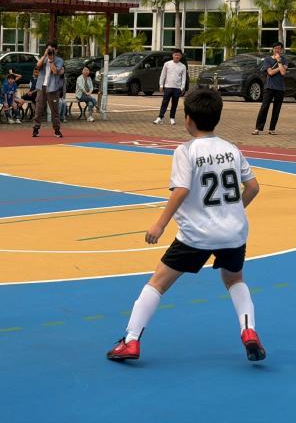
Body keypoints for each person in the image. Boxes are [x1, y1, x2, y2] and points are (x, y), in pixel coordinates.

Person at [105, 89, 266, 363]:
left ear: (188, 119)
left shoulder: (186, 150)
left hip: (196, 235)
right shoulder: (231, 149)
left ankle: (131, 341)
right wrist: (233, 211)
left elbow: (180, 190)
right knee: (235, 280)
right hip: (233, 232)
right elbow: (253, 187)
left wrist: (159, 224)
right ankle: (248, 330)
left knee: (158, 282)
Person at [252, 42, 288, 135]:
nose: (277, 50)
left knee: (276, 109)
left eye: (279, 48)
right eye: (276, 48)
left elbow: (283, 73)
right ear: (273, 49)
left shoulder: (284, 60)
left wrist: (279, 61)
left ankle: (272, 129)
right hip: (269, 87)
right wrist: (280, 67)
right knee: (264, 107)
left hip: (280, 88)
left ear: (281, 49)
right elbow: (270, 73)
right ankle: (258, 128)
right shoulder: (267, 60)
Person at [32, 41, 66, 139]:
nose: (50, 51)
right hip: (41, 86)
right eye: (48, 49)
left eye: (52, 49)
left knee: (54, 110)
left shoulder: (59, 60)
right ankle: (36, 128)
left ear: (56, 50)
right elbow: (37, 66)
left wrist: (51, 60)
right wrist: (44, 55)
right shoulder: (44, 58)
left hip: (53, 88)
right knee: (38, 108)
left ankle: (56, 130)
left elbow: (55, 71)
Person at [154, 49, 187, 126]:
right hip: (168, 87)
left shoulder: (183, 66)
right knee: (164, 103)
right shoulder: (167, 64)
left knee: (174, 104)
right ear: (173, 55)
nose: (177, 56)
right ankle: (160, 117)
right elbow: (163, 75)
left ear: (181, 56)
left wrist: (182, 88)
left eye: (178, 55)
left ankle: (172, 118)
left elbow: (184, 78)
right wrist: (161, 85)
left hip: (177, 88)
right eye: (175, 55)